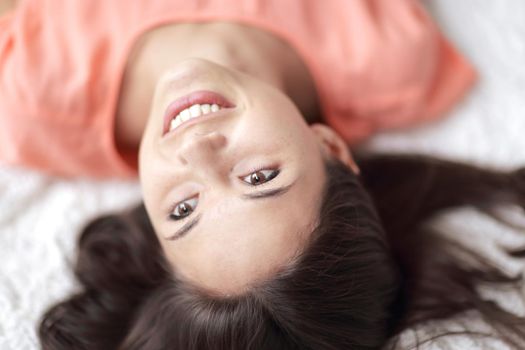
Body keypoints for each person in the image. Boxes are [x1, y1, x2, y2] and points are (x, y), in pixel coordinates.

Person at [1, 0, 525, 349]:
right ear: (330, 149)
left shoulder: (29, 99)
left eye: (183, 210)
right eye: (259, 177)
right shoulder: (392, 59)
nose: (199, 152)